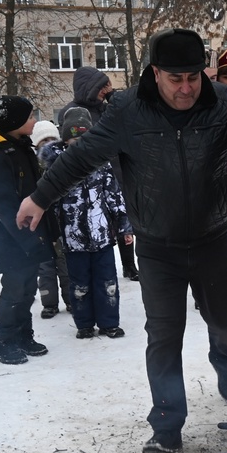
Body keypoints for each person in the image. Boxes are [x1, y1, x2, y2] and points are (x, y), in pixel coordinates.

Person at [17, 27, 227, 453]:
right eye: (176, 79)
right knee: (164, 334)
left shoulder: (223, 103)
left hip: (211, 237)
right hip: (157, 244)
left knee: (223, 320)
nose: (186, 88)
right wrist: (41, 196)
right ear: (155, 73)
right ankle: (167, 427)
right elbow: (82, 155)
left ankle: (226, 363)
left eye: (193, 77)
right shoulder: (127, 110)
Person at [0, 96, 57, 365]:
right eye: (29, 117)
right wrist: (26, 238)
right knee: (15, 289)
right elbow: (3, 205)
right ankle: (2, 341)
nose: (34, 121)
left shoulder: (21, 149)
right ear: (15, 122)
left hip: (30, 233)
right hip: (12, 237)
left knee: (28, 289)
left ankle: (23, 335)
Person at [39, 108, 130, 339]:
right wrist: (53, 231)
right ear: (66, 140)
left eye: (84, 140)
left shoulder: (102, 164)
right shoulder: (57, 167)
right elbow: (48, 200)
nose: (79, 145)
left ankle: (109, 323)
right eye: (74, 141)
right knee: (80, 284)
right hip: (73, 238)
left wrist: (124, 226)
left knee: (107, 282)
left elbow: (114, 196)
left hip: (102, 237)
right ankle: (84, 324)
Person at [64, 66, 138, 281]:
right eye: (103, 86)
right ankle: (100, 266)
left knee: (124, 220)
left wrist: (116, 100)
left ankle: (129, 265)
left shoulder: (108, 108)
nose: (108, 89)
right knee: (98, 223)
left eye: (108, 84)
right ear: (89, 88)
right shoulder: (74, 111)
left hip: (118, 172)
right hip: (90, 178)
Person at [31, 119, 73, 318]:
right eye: (43, 140)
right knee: (45, 267)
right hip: (41, 224)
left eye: (51, 139)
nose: (47, 144)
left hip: (61, 222)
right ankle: (49, 302)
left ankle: (71, 299)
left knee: (65, 265)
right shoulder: (34, 165)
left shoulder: (63, 162)